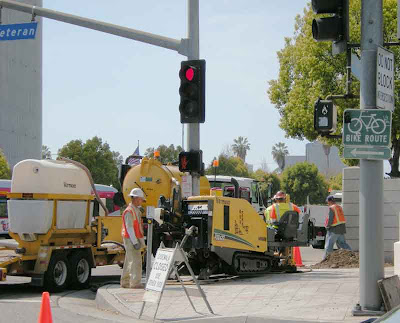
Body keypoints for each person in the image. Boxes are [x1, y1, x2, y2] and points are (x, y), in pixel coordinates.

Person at [120, 188, 146, 289]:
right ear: (135, 198)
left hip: (132, 238)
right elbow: (129, 227)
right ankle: (135, 283)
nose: (141, 201)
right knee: (136, 261)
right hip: (130, 239)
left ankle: (125, 282)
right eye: (140, 199)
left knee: (129, 260)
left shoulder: (135, 210)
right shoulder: (129, 211)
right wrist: (135, 242)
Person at [323, 195, 352, 260]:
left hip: (334, 229)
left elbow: (330, 219)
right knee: (343, 244)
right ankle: (351, 255)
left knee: (329, 245)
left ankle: (326, 259)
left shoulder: (331, 208)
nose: (327, 203)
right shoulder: (339, 207)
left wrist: (327, 226)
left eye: (327, 202)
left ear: (329, 201)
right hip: (342, 228)